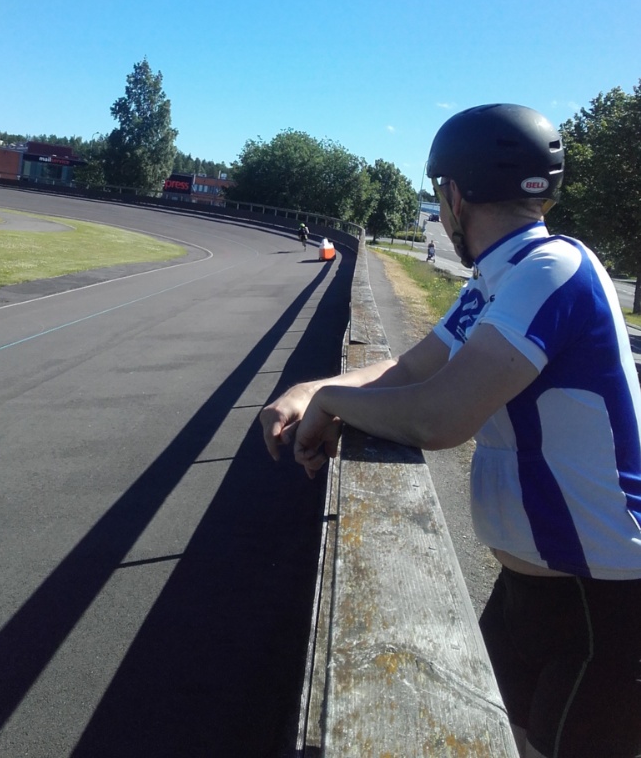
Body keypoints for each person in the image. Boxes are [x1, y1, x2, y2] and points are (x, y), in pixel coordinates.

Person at [261, 104, 641, 758]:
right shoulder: (502, 278)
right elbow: (412, 368)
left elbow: (438, 415)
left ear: (455, 196)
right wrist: (309, 392)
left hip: (607, 600)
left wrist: (332, 402)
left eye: (439, 195)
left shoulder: (551, 271)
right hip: (531, 592)